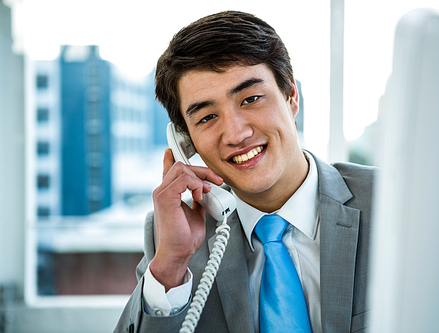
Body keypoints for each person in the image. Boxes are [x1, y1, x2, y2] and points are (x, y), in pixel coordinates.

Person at [115, 10, 375, 333]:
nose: (236, 134)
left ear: (291, 96)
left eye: (251, 98)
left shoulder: (389, 201)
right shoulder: (171, 237)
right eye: (207, 118)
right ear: (186, 142)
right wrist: (170, 267)